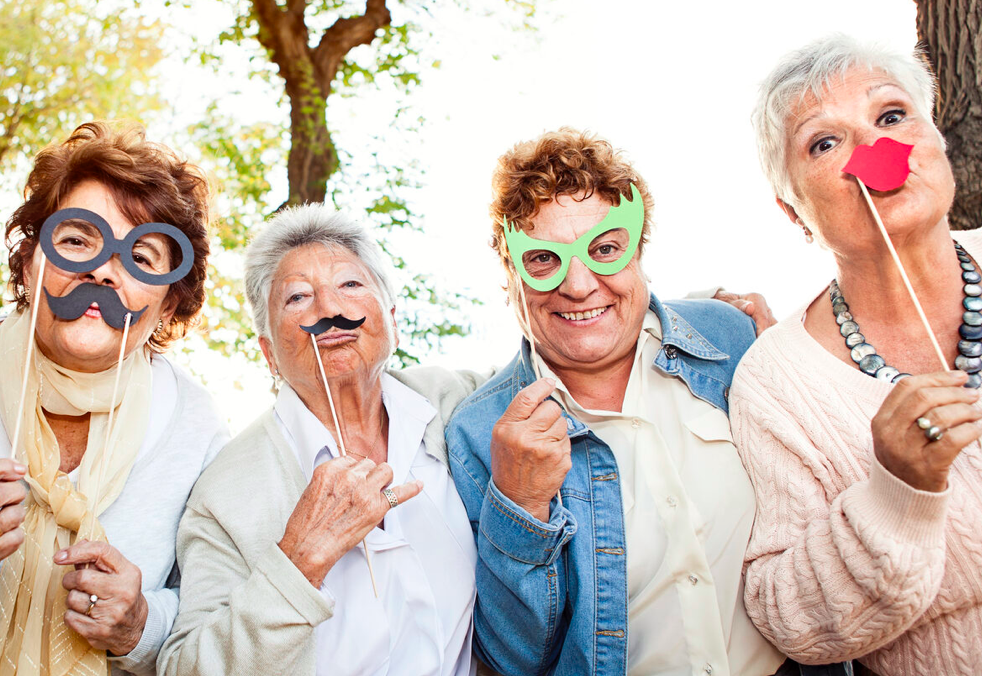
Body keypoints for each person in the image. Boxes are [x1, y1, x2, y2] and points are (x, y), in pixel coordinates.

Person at [446, 128, 788, 676]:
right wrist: (519, 506)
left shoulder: (729, 339)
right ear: (510, 275)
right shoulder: (477, 435)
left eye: (605, 250)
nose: (579, 284)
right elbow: (512, 659)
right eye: (542, 260)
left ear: (638, 251)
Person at [730, 35, 982, 675]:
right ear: (796, 213)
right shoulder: (773, 380)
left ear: (937, 141)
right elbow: (790, 622)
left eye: (891, 116)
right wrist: (897, 493)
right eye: (824, 142)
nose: (873, 152)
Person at [158, 205, 488, 676]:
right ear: (269, 352)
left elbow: (564, 362)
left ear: (392, 318)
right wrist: (298, 562)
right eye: (297, 297)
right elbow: (183, 667)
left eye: (350, 285)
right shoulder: (224, 494)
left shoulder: (458, 403)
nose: (330, 310)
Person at [0, 121, 226, 675]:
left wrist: (140, 623)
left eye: (143, 257)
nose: (103, 270)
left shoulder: (197, 429)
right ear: (31, 263)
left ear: (169, 306)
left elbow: (217, 618)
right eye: (77, 241)